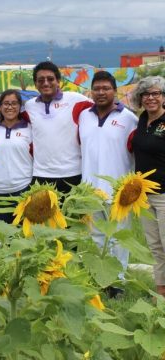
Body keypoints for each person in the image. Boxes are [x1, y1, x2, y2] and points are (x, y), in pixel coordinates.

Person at [79, 71, 137, 296]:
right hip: (90, 190)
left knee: (119, 238)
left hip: (118, 191)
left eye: (106, 88)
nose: (101, 92)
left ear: (115, 90)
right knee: (97, 237)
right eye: (97, 88)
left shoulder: (129, 119)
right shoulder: (84, 116)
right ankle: (100, 280)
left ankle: (118, 282)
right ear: (91, 91)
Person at [25, 61, 92, 194]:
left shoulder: (75, 99)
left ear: (58, 81)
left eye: (50, 79)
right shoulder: (29, 106)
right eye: (40, 80)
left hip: (72, 174)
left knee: (73, 215)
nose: (45, 83)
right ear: (35, 83)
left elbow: (101, 109)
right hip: (41, 175)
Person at [131, 76, 165, 297]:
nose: (151, 98)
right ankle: (161, 293)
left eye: (156, 93)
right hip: (144, 195)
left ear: (163, 97)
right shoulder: (142, 120)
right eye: (146, 94)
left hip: (164, 194)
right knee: (155, 247)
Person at [0, 89, 33, 223]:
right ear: (0, 107)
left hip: (23, 188)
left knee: (24, 235)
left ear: (20, 106)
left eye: (14, 103)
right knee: (5, 234)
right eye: (6, 104)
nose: (10, 107)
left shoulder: (30, 128)